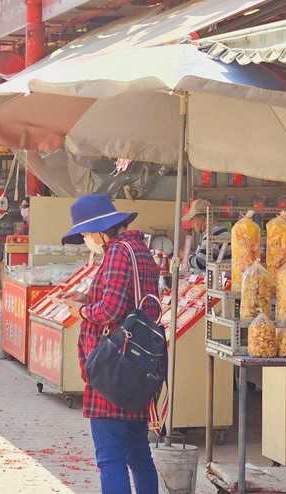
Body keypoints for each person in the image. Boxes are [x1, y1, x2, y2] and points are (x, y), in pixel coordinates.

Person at [61, 194, 161, 494]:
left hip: (112, 370)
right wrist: (88, 298)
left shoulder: (118, 252)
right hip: (136, 366)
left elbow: (112, 310)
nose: (87, 239)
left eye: (87, 234)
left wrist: (81, 310)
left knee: (110, 457)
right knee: (139, 454)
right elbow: (126, 301)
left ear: (101, 229)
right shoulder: (139, 250)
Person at [183, 198, 230, 272]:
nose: (192, 225)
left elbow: (200, 263)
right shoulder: (218, 230)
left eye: (193, 221)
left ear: (204, 220)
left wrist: (184, 257)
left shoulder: (213, 233)